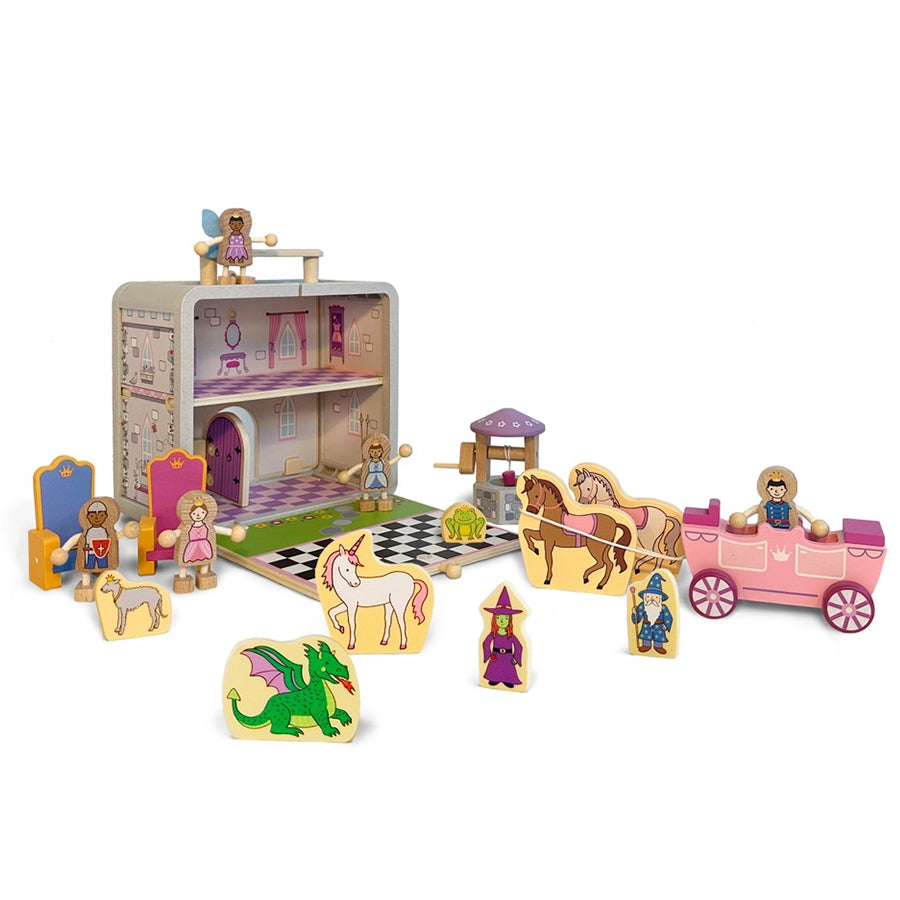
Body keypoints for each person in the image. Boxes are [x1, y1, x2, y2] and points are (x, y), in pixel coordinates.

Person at [482, 587, 525, 688]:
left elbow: (519, 646)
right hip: (496, 656)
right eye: (498, 617)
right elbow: (486, 643)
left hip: (508, 657)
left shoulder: (511, 636)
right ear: (495, 619)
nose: (502, 621)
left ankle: (508, 679)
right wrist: (488, 655)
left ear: (509, 620)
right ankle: (494, 678)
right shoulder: (493, 634)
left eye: (505, 618)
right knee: (494, 669)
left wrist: (516, 658)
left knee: (508, 669)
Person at [630, 572, 673, 654]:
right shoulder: (643, 605)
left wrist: (666, 625)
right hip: (646, 625)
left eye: (656, 597)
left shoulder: (663, 607)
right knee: (646, 636)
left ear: (660, 599)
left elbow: (668, 617)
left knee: (659, 637)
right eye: (649, 597)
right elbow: (637, 618)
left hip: (659, 627)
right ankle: (646, 645)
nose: (652, 600)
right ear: (645, 597)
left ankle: (658, 646)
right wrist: (634, 613)